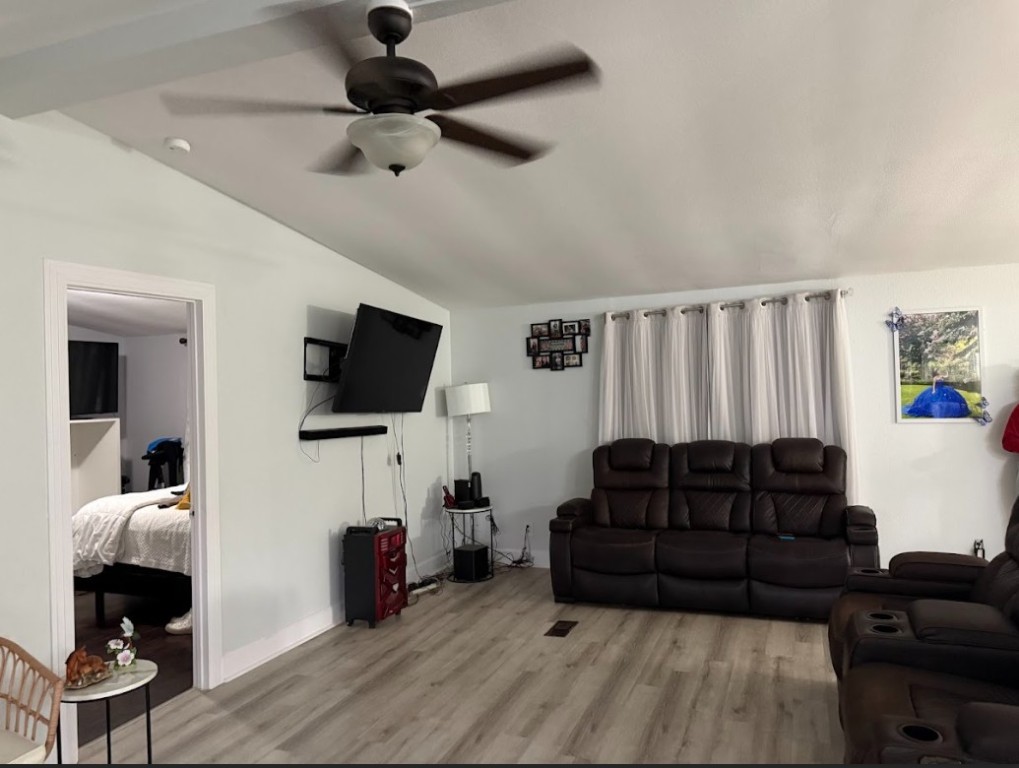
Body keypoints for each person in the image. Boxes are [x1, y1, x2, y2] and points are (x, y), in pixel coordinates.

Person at [903, 372, 972, 419]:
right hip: (937, 389)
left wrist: (947, 374)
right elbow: (933, 385)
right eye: (938, 373)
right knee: (936, 399)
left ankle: (946, 410)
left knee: (947, 398)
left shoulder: (941, 376)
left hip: (943, 389)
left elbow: (946, 376)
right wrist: (933, 390)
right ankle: (937, 410)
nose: (939, 374)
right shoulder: (935, 378)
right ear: (936, 374)